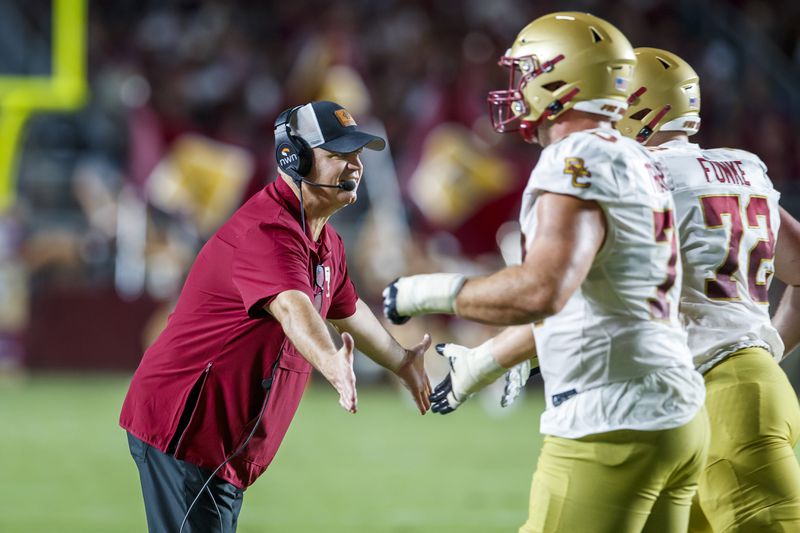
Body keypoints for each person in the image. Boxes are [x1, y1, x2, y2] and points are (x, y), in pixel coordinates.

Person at [383, 12, 709, 533]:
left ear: (560, 80)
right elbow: (589, 298)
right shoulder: (638, 157)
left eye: (527, 70)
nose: (517, 86)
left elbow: (543, 290)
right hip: (677, 411)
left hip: (611, 415)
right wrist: (484, 363)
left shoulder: (576, 157)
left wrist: (423, 292)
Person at [120, 100, 432, 533]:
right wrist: (332, 363)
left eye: (357, 155)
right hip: (185, 431)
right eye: (339, 155)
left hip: (220, 444)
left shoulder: (325, 239)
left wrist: (400, 361)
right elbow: (292, 306)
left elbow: (347, 310)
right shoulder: (268, 231)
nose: (355, 166)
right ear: (294, 157)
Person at [616, 47, 800, 532]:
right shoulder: (744, 169)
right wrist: (767, 348)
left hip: (724, 399)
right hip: (724, 395)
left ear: (635, 108)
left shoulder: (644, 179)